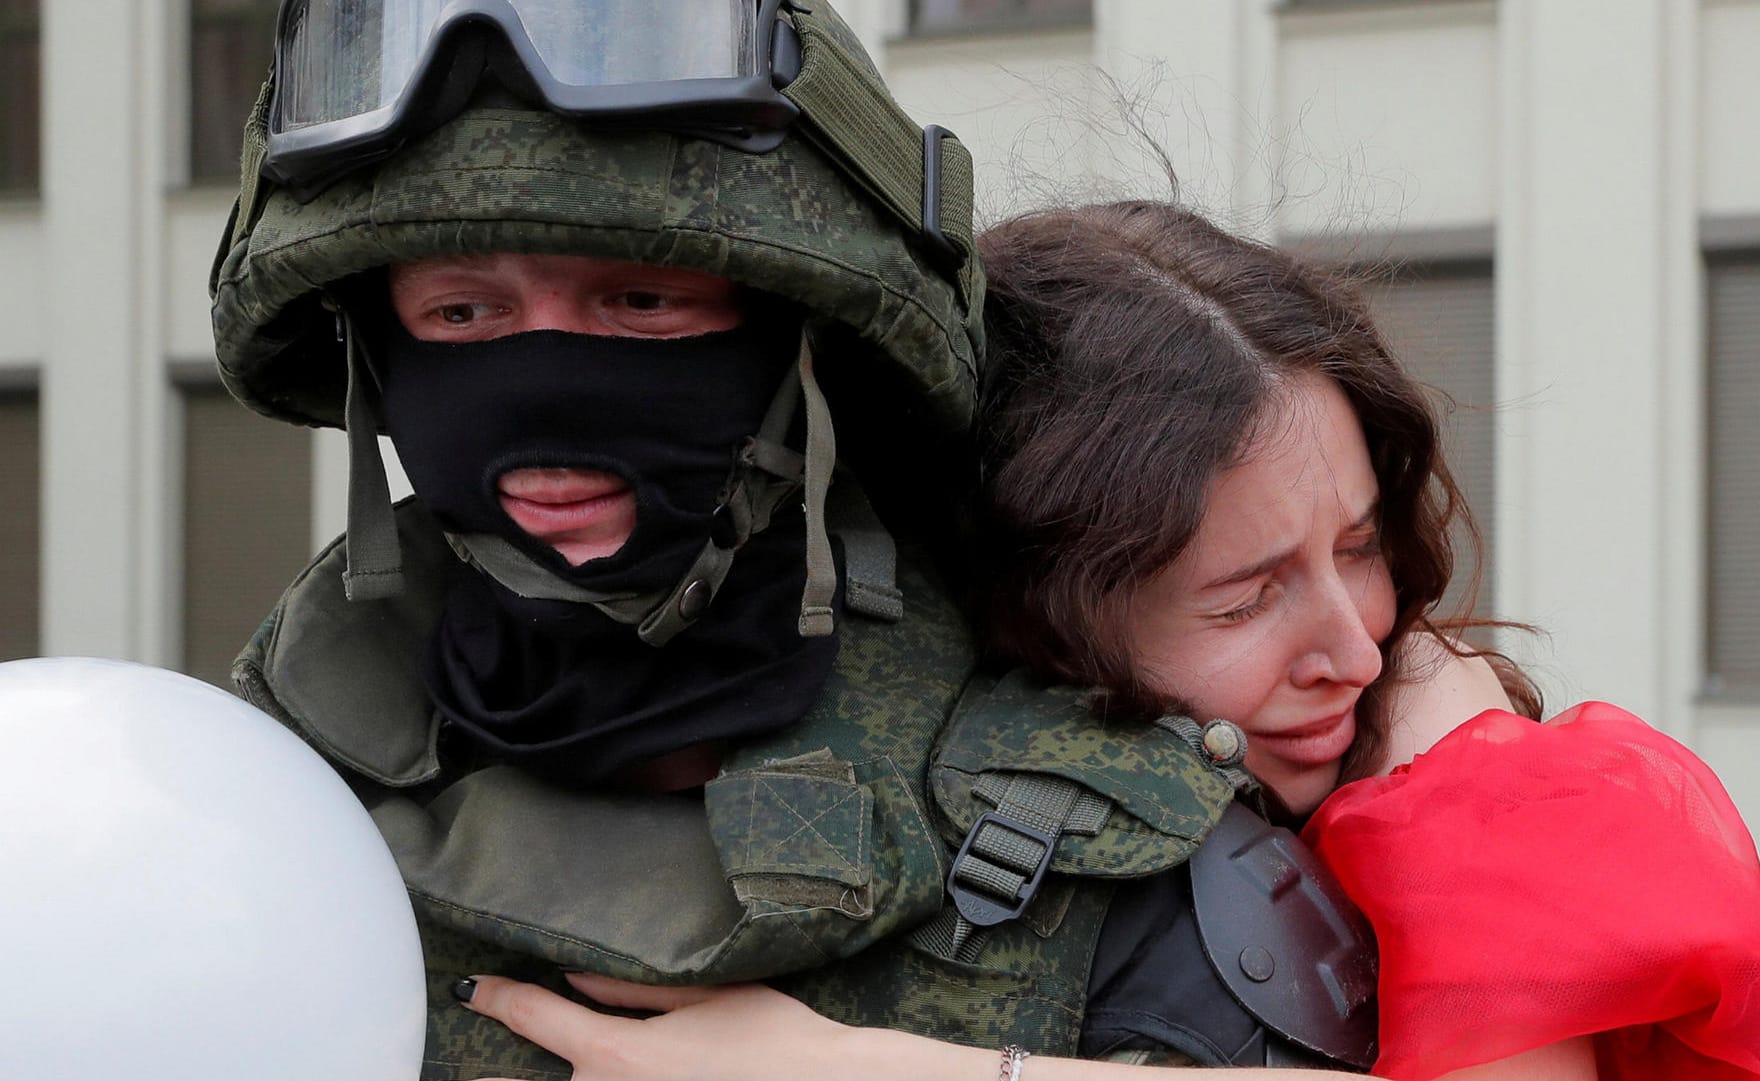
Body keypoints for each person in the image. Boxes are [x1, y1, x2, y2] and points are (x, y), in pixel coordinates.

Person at [210, 7, 1394, 1079]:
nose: (547, 393)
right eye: (464, 313)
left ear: (804, 347)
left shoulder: (1116, 835)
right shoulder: (239, 805)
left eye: (643, 303)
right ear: (382, 356)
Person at [447, 202, 1760, 1081]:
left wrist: (853, 1062)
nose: (1354, 639)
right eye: (1247, 593)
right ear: (1032, 618)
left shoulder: (1458, 759)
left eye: (1357, 546)